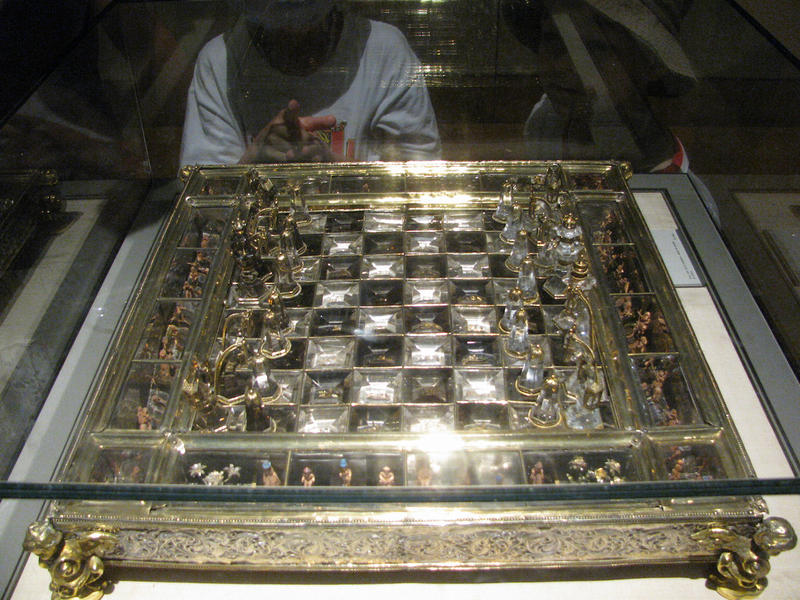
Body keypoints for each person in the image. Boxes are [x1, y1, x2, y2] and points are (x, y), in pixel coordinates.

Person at [180, 0, 441, 166]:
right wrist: (256, 155)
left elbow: (422, 180)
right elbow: (204, 202)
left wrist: (327, 165)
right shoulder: (220, 60)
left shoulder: (384, 49)